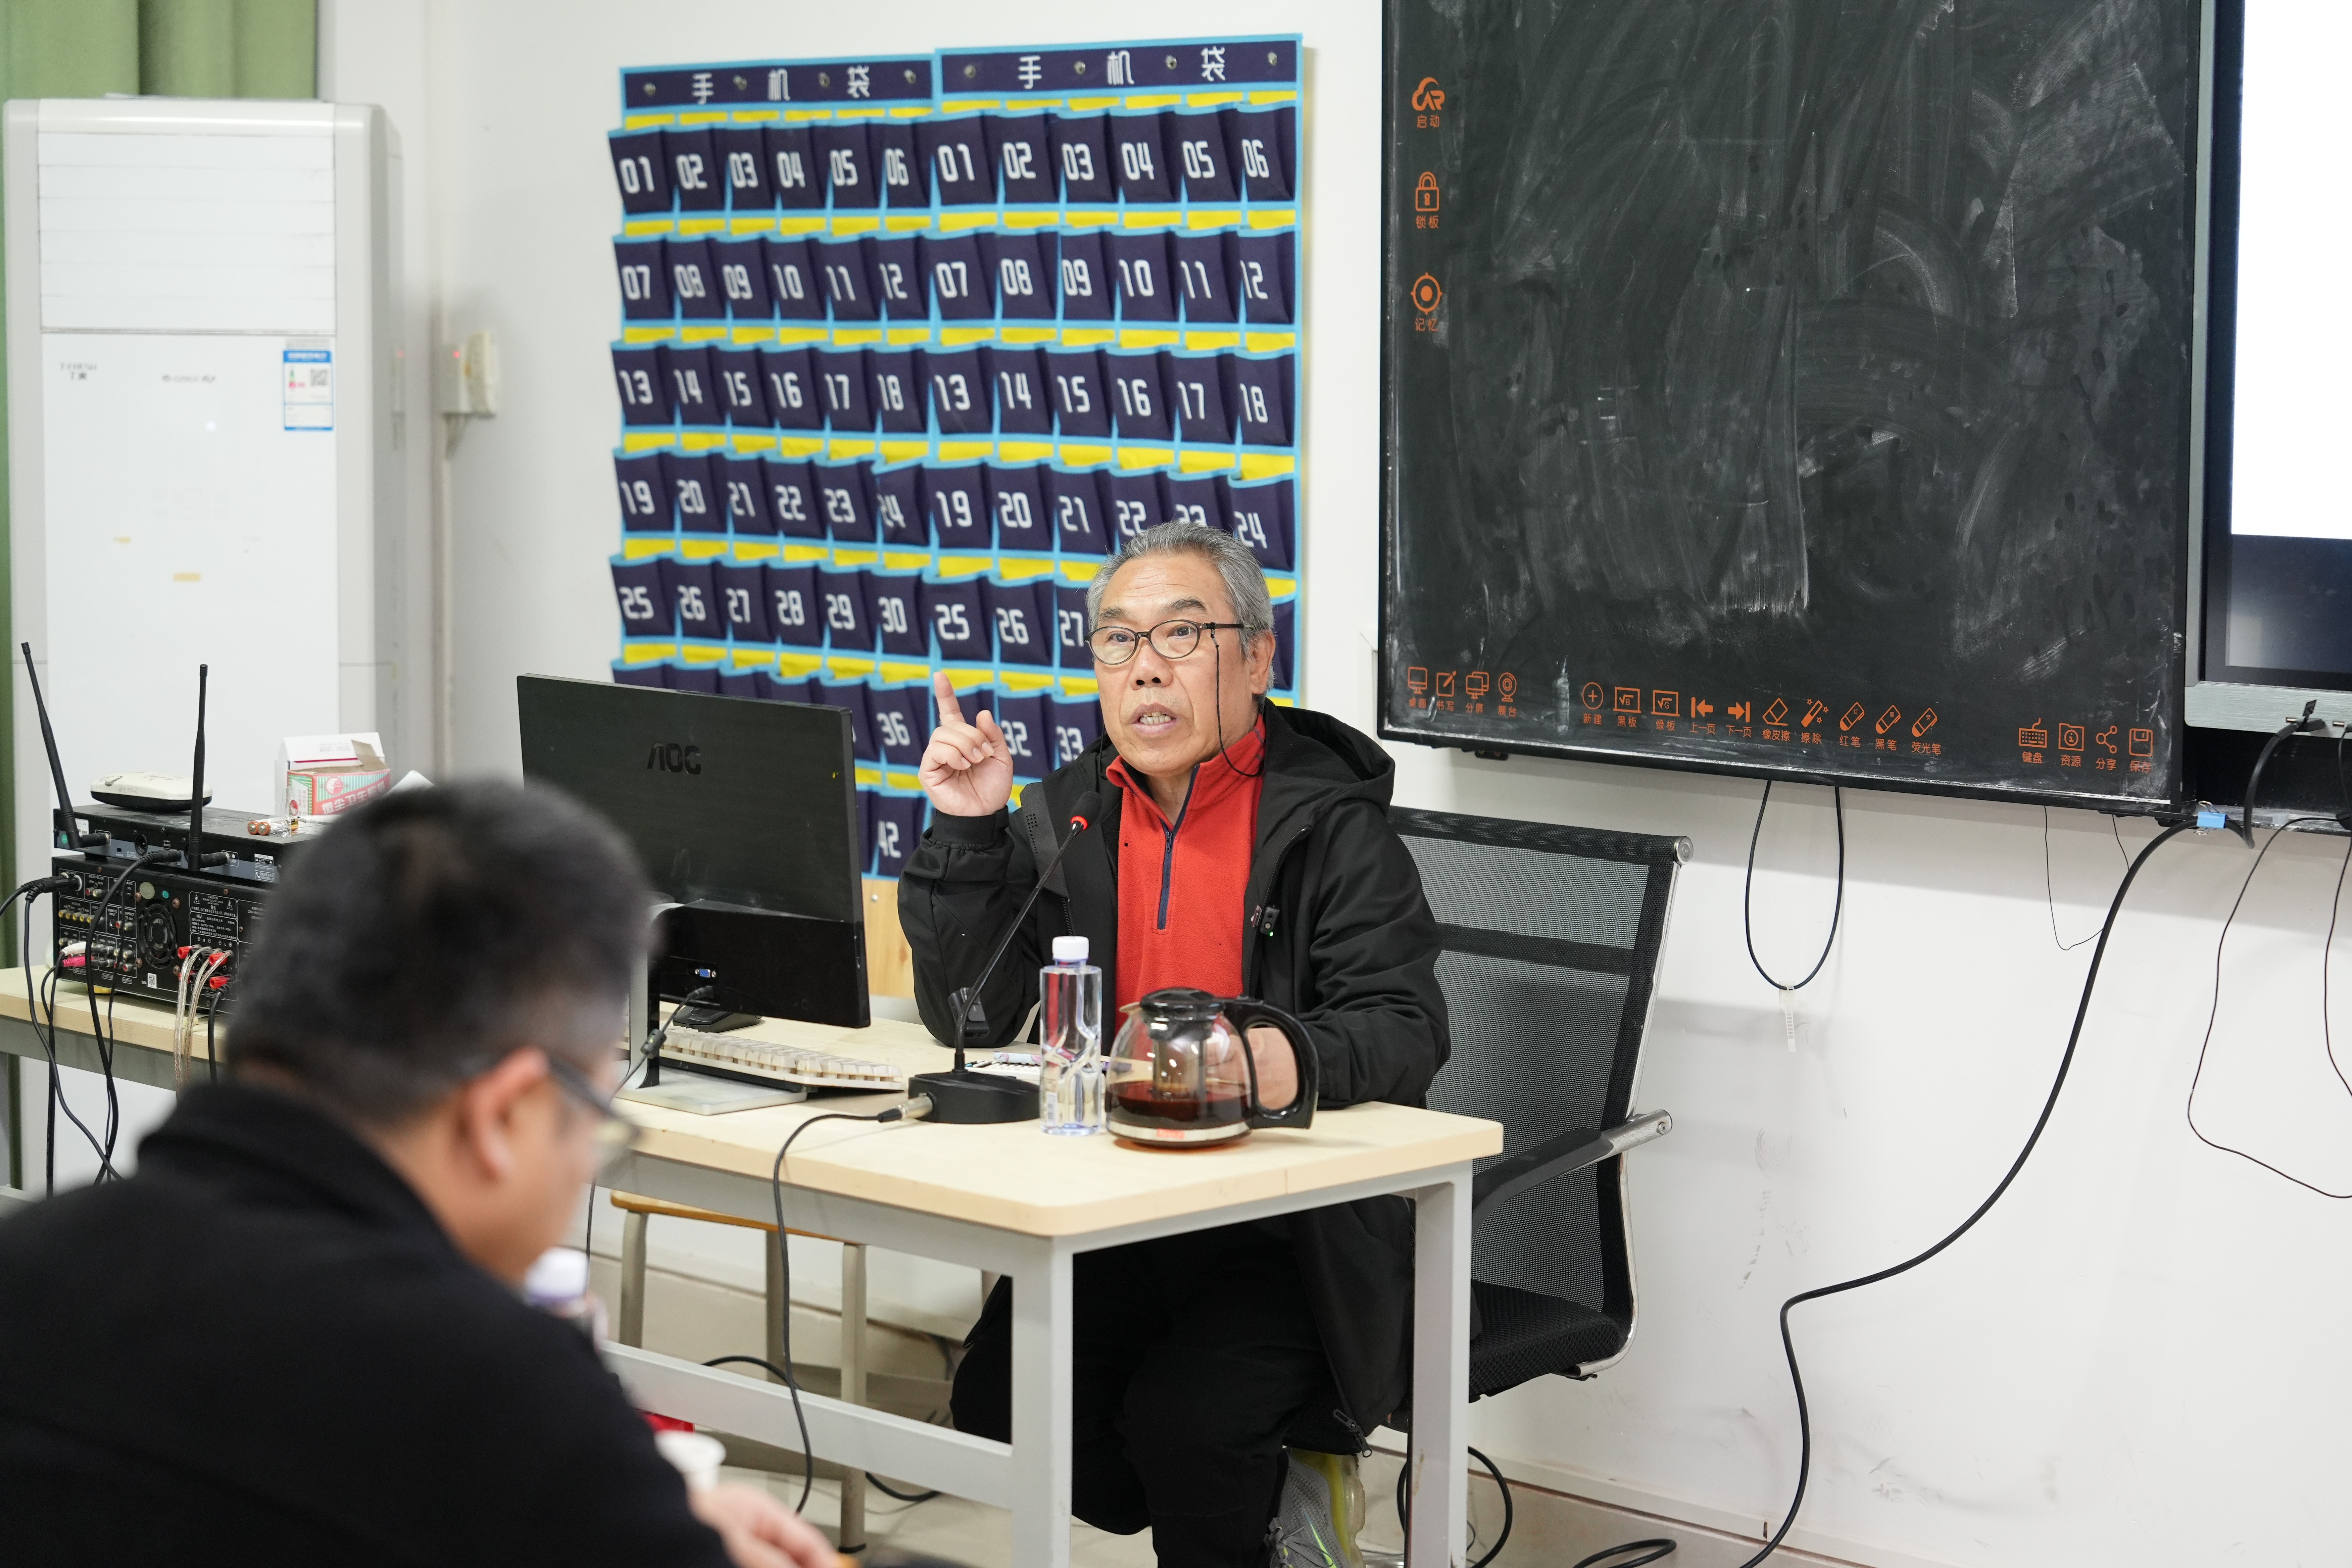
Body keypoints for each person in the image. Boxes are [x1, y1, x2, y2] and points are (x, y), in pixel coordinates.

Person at [0, 782, 837, 1568]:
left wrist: (645, 1516)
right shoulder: (503, 1407)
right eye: (594, 1116)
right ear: (504, 1113)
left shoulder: (26, 1265)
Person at [900, 522, 1451, 1566]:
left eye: (1182, 635)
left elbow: (1406, 1027)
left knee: (1188, 1428)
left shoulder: (1330, 823)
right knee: (999, 1405)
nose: (1145, 668)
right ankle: (1263, 1498)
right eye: (1118, 641)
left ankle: (1260, 1512)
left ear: (1259, 657)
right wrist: (970, 831)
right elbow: (971, 1017)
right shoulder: (1070, 814)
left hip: (1291, 1230)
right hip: (1120, 1208)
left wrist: (1260, 1061)